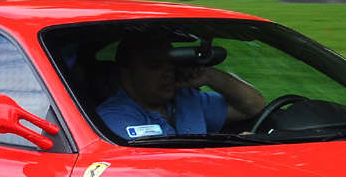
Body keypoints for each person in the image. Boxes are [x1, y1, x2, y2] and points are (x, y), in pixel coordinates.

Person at [97, 37, 265, 139]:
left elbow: (253, 105)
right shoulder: (113, 116)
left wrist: (209, 76)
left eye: (171, 64)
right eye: (156, 66)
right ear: (128, 76)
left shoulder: (187, 98)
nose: (168, 72)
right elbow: (160, 161)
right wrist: (230, 150)